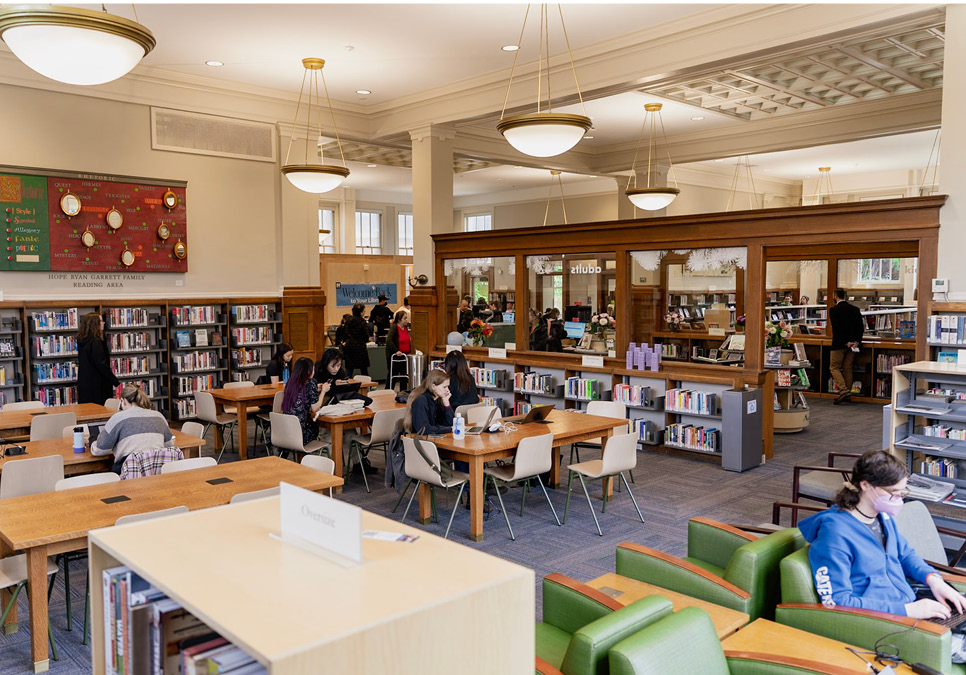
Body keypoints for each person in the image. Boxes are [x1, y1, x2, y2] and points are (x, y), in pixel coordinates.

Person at [800, 450, 966, 626]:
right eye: (893, 493)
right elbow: (838, 601)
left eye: (902, 492)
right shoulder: (834, 534)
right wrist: (908, 610)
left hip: (907, 600)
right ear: (865, 485)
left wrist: (933, 579)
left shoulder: (882, 517)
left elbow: (905, 555)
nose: (898, 499)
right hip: (878, 619)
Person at [91, 384, 173, 473]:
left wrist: (92, 442)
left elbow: (100, 450)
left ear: (123, 401)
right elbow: (169, 445)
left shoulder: (118, 418)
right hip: (156, 471)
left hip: (130, 472)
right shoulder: (159, 416)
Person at [829, 287, 864, 404]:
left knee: (834, 367)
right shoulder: (855, 309)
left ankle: (844, 391)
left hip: (839, 344)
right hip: (854, 344)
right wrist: (856, 341)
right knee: (847, 367)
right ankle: (848, 394)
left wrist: (845, 342)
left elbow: (837, 329)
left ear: (835, 296)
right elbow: (860, 327)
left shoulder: (834, 310)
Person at [77, 311, 120, 405]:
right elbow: (101, 365)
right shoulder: (96, 342)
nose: (103, 323)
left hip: (85, 386)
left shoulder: (82, 341)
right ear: (95, 324)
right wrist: (115, 382)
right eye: (101, 321)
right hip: (97, 386)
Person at [281, 357, 324, 446]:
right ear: (309, 371)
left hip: (284, 432)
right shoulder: (311, 382)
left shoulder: (290, 382)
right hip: (300, 434)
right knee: (317, 427)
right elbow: (315, 408)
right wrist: (323, 391)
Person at [403, 369, 454, 435]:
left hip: (432, 439)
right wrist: (449, 429)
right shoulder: (421, 400)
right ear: (433, 386)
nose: (448, 390)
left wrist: (446, 403)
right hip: (418, 441)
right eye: (444, 387)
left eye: (448, 386)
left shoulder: (438, 400)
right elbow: (424, 429)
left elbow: (451, 424)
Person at [342, 303, 371, 377]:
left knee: (349, 370)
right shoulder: (362, 322)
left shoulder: (348, 321)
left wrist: (345, 342)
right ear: (361, 312)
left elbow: (344, 333)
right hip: (360, 347)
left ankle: (347, 386)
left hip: (349, 347)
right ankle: (367, 386)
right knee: (364, 370)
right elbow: (366, 336)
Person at [386, 310, 411, 388]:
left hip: (405, 356)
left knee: (404, 377)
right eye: (405, 318)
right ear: (399, 320)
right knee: (393, 376)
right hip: (396, 356)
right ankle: (388, 391)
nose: (406, 320)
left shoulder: (405, 328)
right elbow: (389, 341)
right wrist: (396, 350)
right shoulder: (394, 328)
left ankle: (403, 393)